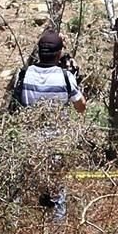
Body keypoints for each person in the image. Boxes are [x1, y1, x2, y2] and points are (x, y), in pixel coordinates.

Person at [10, 30, 87, 223]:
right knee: (57, 189)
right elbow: (81, 107)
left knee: (21, 187)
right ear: (58, 54)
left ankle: (15, 225)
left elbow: (15, 103)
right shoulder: (65, 77)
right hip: (55, 144)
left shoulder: (24, 74)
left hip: (27, 142)